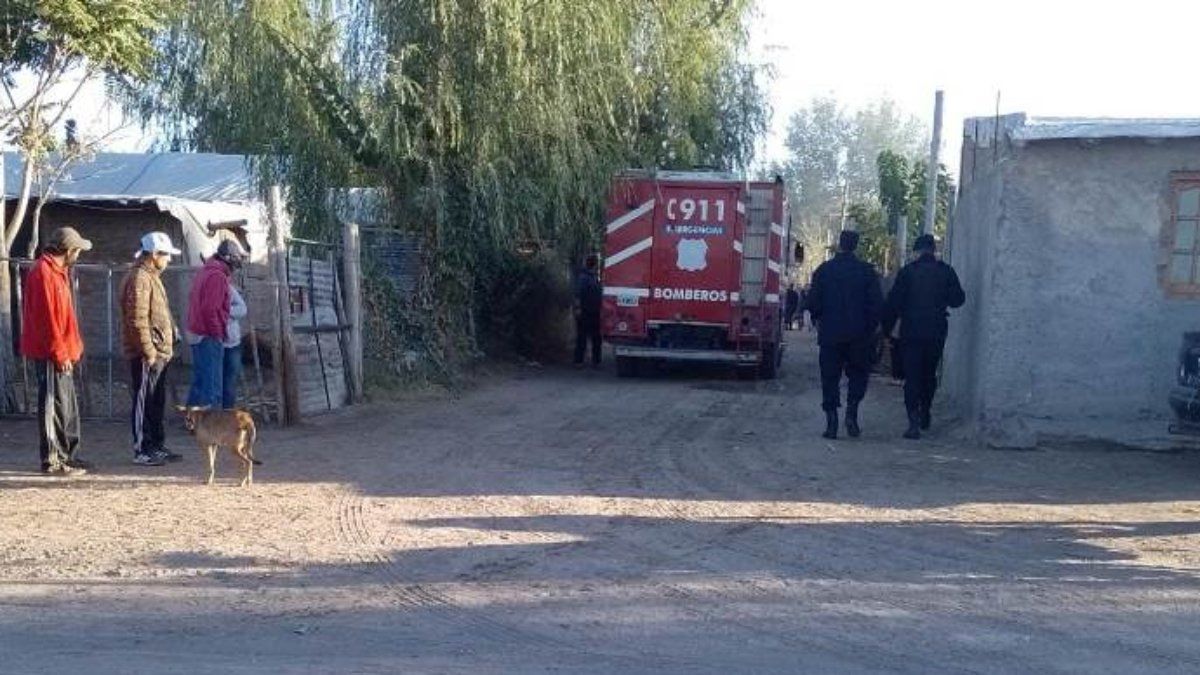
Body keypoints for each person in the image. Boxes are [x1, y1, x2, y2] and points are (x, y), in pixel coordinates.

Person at [20, 227, 92, 475]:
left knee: (67, 406)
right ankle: (53, 459)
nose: (79, 255)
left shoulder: (57, 271)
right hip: (51, 352)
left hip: (63, 349)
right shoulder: (43, 273)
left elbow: (61, 318)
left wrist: (73, 347)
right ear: (69, 250)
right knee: (53, 405)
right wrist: (59, 353)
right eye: (78, 250)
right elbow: (47, 320)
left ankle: (69, 455)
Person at [883, 234, 966, 439]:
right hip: (936, 329)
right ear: (934, 250)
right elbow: (958, 300)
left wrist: (886, 331)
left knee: (912, 376)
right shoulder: (946, 272)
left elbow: (893, 303)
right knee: (929, 374)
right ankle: (926, 410)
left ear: (917, 251)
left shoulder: (907, 273)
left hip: (911, 330)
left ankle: (913, 422)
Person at [806, 230, 883, 440]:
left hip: (831, 335)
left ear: (839, 244)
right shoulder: (867, 272)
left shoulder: (824, 271)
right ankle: (852, 412)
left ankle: (831, 422)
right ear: (856, 246)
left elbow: (812, 303)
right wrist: (870, 328)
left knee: (829, 377)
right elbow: (877, 305)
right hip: (860, 336)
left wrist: (819, 318)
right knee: (858, 375)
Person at [121, 231, 184, 466]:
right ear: (155, 254)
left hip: (158, 352)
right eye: (166, 255)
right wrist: (147, 350)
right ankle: (142, 448)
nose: (168, 260)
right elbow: (136, 319)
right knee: (144, 400)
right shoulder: (139, 278)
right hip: (147, 353)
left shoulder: (151, 277)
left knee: (156, 400)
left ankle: (156, 445)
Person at [186, 241, 237, 407]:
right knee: (213, 385)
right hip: (207, 334)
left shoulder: (206, 271)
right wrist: (217, 333)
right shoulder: (217, 276)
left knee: (201, 379)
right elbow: (210, 309)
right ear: (228, 258)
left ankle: (192, 420)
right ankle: (212, 428)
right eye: (236, 258)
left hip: (198, 332)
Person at [220, 241, 248, 409]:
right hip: (217, 340)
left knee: (229, 381)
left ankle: (226, 414)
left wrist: (224, 312)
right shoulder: (217, 281)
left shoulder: (228, 287)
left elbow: (242, 308)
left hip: (231, 341)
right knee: (220, 380)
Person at [573, 254, 603, 367]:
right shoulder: (585, 278)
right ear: (594, 264)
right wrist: (578, 308)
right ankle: (580, 361)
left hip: (593, 312)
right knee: (583, 337)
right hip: (586, 311)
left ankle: (593, 361)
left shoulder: (592, 277)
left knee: (593, 337)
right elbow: (578, 294)